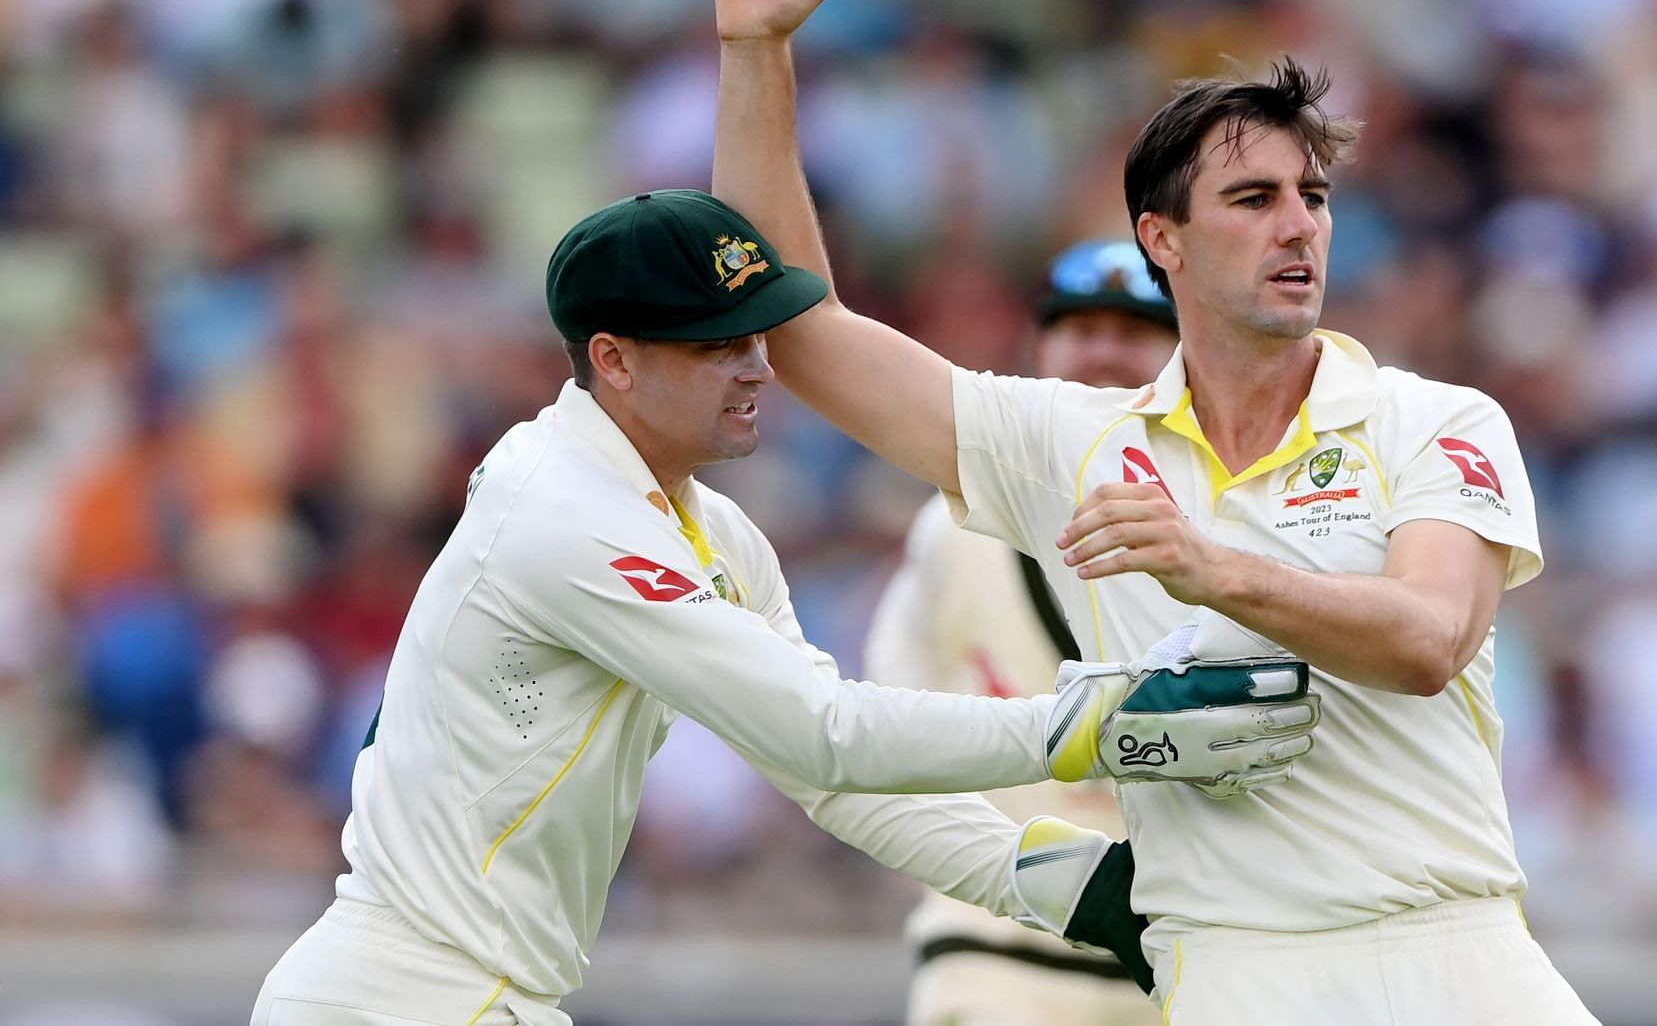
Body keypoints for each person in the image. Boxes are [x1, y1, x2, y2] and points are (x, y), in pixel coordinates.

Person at [712, 0, 1600, 1024]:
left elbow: (1428, 641)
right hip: (1239, 966)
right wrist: (756, 46)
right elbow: (798, 330)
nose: (1300, 228)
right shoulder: (1077, 444)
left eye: (1313, 199)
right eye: (1253, 198)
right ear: (1161, 239)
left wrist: (1210, 565)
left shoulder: (1435, 417)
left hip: (1460, 949)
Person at [249, 191, 1324, 1025]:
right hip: (403, 995)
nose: (759, 365)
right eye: (716, 342)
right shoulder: (564, 512)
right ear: (614, 361)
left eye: (758, 331)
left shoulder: (705, 525)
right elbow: (824, 732)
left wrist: (1081, 888)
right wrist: (1103, 722)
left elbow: (827, 773)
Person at [867, 239, 1179, 1026]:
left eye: (1136, 329)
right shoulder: (952, 525)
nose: (1104, 351)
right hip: (997, 950)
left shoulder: (1240, 520)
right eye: (1080, 327)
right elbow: (886, 717)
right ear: (1039, 347)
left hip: (1193, 956)